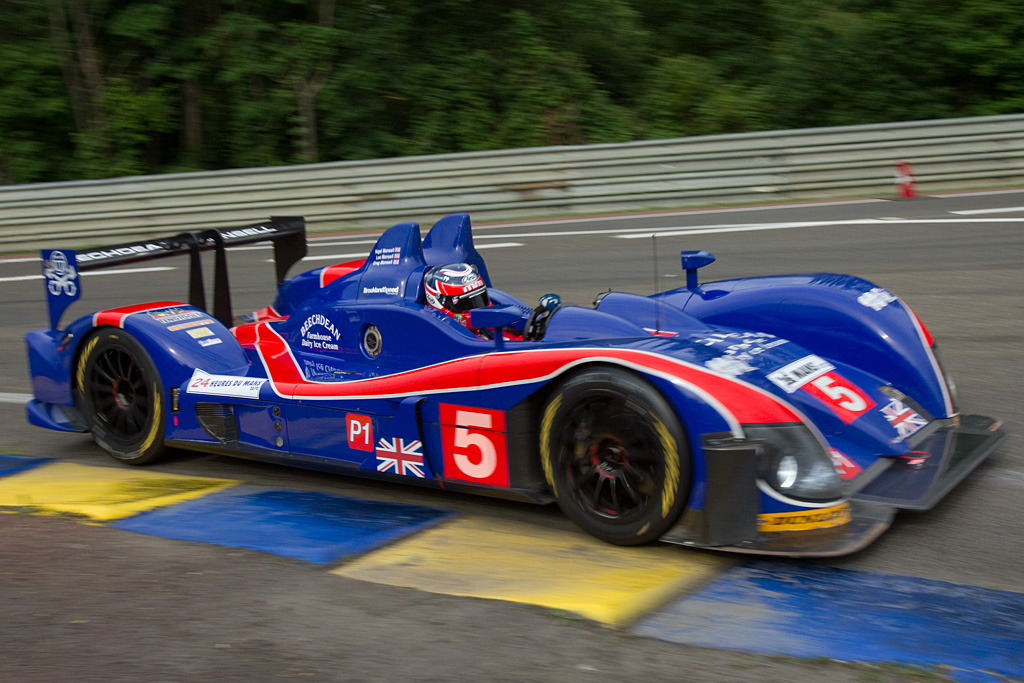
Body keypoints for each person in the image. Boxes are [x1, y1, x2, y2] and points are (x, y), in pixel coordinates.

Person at [423, 263, 523, 339]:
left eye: (479, 299)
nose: (477, 308)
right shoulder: (434, 334)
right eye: (466, 303)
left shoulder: (488, 328)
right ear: (441, 301)